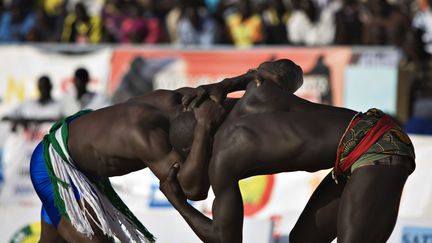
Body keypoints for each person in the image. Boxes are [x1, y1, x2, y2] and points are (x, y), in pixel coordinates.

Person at [160, 59, 416, 243]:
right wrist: (229, 83)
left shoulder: (222, 161)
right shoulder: (255, 94)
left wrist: (178, 202)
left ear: (194, 147)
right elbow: (292, 70)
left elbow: (223, 238)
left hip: (375, 146)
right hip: (358, 151)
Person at [29, 68, 265, 242]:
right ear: (183, 148)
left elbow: (278, 77)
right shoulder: (147, 138)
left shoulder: (183, 99)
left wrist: (238, 81)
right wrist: (204, 129)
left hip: (80, 154)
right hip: (57, 163)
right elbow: (194, 190)